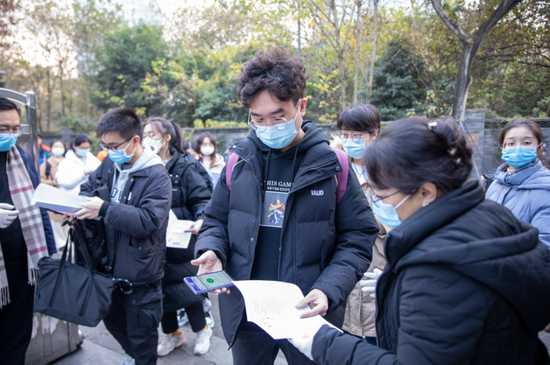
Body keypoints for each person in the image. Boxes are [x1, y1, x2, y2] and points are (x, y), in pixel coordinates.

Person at [289, 117, 550, 365]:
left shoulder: (435, 267)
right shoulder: (492, 215)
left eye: (384, 195)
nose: (381, 204)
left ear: (426, 191)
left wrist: (323, 342)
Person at [192, 47, 378, 365]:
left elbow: (358, 239)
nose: (268, 127)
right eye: (258, 119)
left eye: (278, 116)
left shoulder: (334, 165)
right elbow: (215, 220)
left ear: (301, 106)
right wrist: (212, 250)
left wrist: (329, 289)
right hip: (246, 309)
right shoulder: (238, 161)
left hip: (308, 310)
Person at [73, 108, 172, 365]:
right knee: (113, 322)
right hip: (106, 269)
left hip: (140, 276)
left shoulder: (156, 175)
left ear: (135, 140)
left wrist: (105, 209)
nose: (109, 151)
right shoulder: (109, 163)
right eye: (104, 145)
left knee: (143, 337)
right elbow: (87, 190)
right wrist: (76, 208)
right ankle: (132, 357)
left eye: (114, 145)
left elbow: (149, 221)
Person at [142, 117, 213, 357]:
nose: (146, 139)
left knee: (188, 289)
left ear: (166, 138)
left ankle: (203, 328)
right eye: (144, 134)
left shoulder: (184, 165)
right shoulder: (143, 164)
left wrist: (201, 220)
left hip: (181, 240)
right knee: (160, 290)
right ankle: (172, 335)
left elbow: (201, 198)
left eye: (152, 134)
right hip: (152, 242)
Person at [0, 97, 56, 364]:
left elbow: (39, 204)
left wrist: (48, 255)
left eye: (14, 129)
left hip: (22, 265)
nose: (10, 135)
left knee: (17, 335)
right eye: (2, 128)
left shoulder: (19, 157)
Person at [336, 104, 389, 344]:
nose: (349, 141)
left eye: (356, 135)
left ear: (374, 134)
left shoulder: (393, 172)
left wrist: (374, 223)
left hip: (380, 267)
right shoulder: (334, 168)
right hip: (343, 266)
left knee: (376, 341)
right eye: (345, 135)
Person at [486, 120, 550, 247]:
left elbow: (543, 248)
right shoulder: (496, 184)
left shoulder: (545, 190)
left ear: (539, 147)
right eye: (511, 143)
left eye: (526, 142)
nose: (518, 148)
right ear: (502, 148)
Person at [40, 140, 69, 249]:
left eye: (60, 146)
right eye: (55, 146)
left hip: (66, 195)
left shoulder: (68, 162)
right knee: (55, 221)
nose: (57, 148)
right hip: (52, 196)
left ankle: (67, 242)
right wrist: (52, 183)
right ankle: (60, 244)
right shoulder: (46, 164)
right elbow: (40, 180)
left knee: (67, 219)